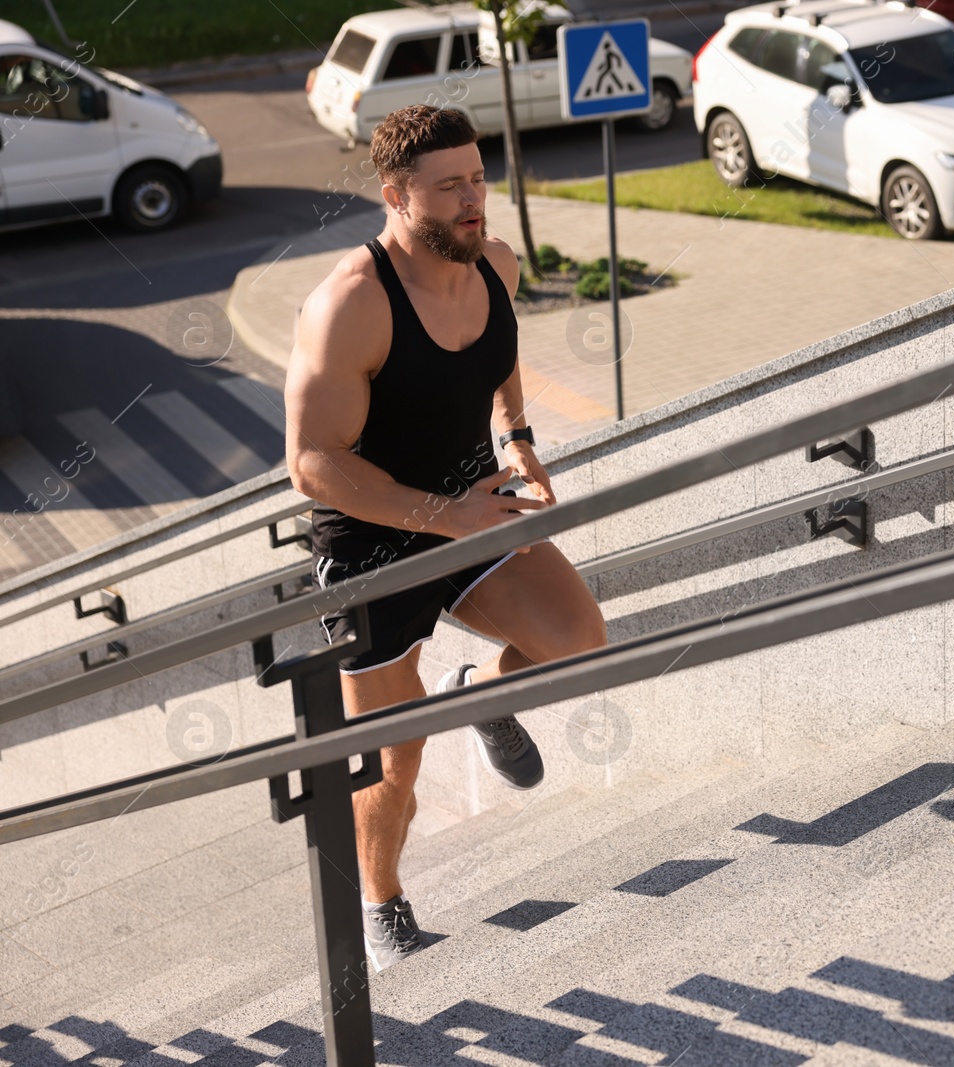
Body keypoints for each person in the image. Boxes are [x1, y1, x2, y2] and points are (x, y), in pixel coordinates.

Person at [283, 104, 607, 972]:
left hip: (472, 500)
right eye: (450, 185)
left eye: (479, 177)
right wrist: (443, 516)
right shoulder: (350, 304)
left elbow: (498, 354)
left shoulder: (490, 263)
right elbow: (311, 464)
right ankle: (380, 899)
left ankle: (482, 693)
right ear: (396, 195)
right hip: (371, 543)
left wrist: (518, 439)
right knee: (394, 766)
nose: (475, 199)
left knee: (578, 638)